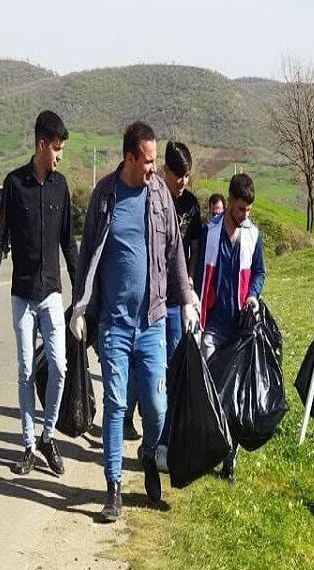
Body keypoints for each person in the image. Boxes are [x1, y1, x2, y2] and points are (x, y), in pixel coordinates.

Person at [69, 120, 198, 519]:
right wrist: (80, 309)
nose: (153, 169)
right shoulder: (105, 196)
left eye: (155, 161)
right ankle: (112, 489)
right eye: (147, 161)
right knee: (114, 404)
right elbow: (88, 254)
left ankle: (148, 452)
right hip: (115, 325)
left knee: (157, 405)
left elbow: (175, 250)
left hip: (154, 322)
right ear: (129, 157)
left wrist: (188, 298)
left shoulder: (159, 193)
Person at [0, 110, 80, 479]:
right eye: (57, 148)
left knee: (59, 366)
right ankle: (27, 444)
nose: (59, 155)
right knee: (26, 369)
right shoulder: (14, 184)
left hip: (52, 295)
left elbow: (68, 243)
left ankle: (47, 434)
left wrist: (82, 296)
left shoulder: (61, 186)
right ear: (42, 144)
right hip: (22, 296)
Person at [124, 140, 203, 460]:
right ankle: (127, 415)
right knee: (136, 366)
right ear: (166, 171)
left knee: (170, 370)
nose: (183, 181)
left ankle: (162, 441)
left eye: (188, 176)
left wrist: (189, 287)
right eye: (178, 175)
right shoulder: (149, 196)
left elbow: (194, 248)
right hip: (146, 297)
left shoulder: (192, 205)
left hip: (174, 300)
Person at [193, 172, 266, 484]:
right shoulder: (209, 232)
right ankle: (203, 449)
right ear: (230, 202)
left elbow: (259, 273)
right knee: (208, 391)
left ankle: (229, 461)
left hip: (238, 330)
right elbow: (198, 274)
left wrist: (253, 295)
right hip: (211, 325)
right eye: (240, 210)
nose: (245, 215)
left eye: (248, 211)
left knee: (233, 398)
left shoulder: (253, 236)